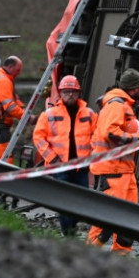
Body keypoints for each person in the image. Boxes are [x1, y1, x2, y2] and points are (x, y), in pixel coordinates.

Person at [86, 68, 139, 255]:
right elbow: (111, 134)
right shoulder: (116, 105)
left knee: (128, 217)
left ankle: (121, 256)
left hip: (124, 170)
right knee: (107, 217)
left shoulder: (123, 105)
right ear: (134, 88)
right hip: (114, 170)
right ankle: (89, 252)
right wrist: (136, 138)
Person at [33, 74, 97, 236]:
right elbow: (38, 138)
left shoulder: (89, 114)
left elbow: (97, 137)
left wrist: (92, 158)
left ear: (79, 93)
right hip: (60, 166)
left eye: (73, 92)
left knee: (81, 200)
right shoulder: (49, 114)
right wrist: (52, 158)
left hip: (81, 166)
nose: (70, 95)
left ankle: (71, 227)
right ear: (60, 93)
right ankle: (68, 233)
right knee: (63, 200)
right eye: (66, 91)